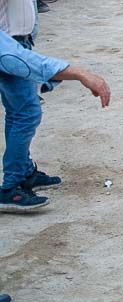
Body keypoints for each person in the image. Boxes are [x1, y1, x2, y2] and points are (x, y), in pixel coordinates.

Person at [0, 31, 110, 213]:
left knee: (21, 114)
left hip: (17, 43)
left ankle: (23, 174)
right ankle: (12, 184)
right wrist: (79, 74)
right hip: (13, 45)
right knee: (25, 115)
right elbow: (13, 56)